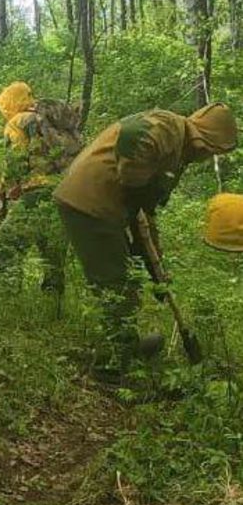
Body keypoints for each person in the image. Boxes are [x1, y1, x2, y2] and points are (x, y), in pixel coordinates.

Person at [54, 103, 238, 379]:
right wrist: (135, 183)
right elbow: (133, 135)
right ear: (203, 139)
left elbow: (145, 211)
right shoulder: (168, 127)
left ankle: (125, 347)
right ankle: (113, 369)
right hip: (89, 202)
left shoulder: (177, 152)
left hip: (105, 206)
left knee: (127, 280)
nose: (206, 156)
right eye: (210, 149)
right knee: (114, 283)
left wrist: (157, 267)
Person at [0, 82, 83, 304]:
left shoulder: (19, 121)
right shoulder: (52, 119)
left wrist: (3, 187)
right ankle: (52, 306)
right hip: (66, 191)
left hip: (37, 191)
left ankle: (8, 302)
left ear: (9, 104)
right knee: (52, 250)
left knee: (6, 244)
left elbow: (16, 159)